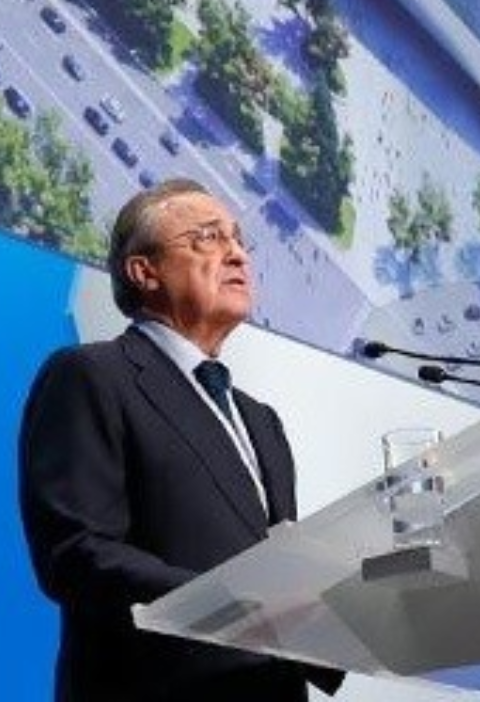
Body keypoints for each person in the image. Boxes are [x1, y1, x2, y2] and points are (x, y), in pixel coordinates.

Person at [19, 179, 342, 701]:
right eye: (207, 238)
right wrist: (238, 607)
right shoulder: (92, 375)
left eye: (239, 240)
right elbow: (78, 553)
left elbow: (277, 565)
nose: (236, 253)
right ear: (143, 271)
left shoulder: (262, 422)